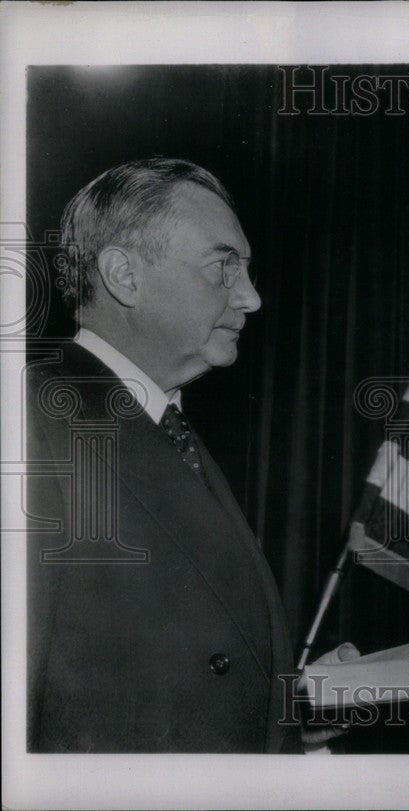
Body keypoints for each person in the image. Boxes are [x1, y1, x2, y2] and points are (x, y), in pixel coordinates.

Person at [26, 158, 303, 752]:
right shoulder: (27, 422)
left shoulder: (171, 428)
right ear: (125, 275)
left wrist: (281, 707)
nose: (250, 298)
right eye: (223, 267)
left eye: (246, 270)